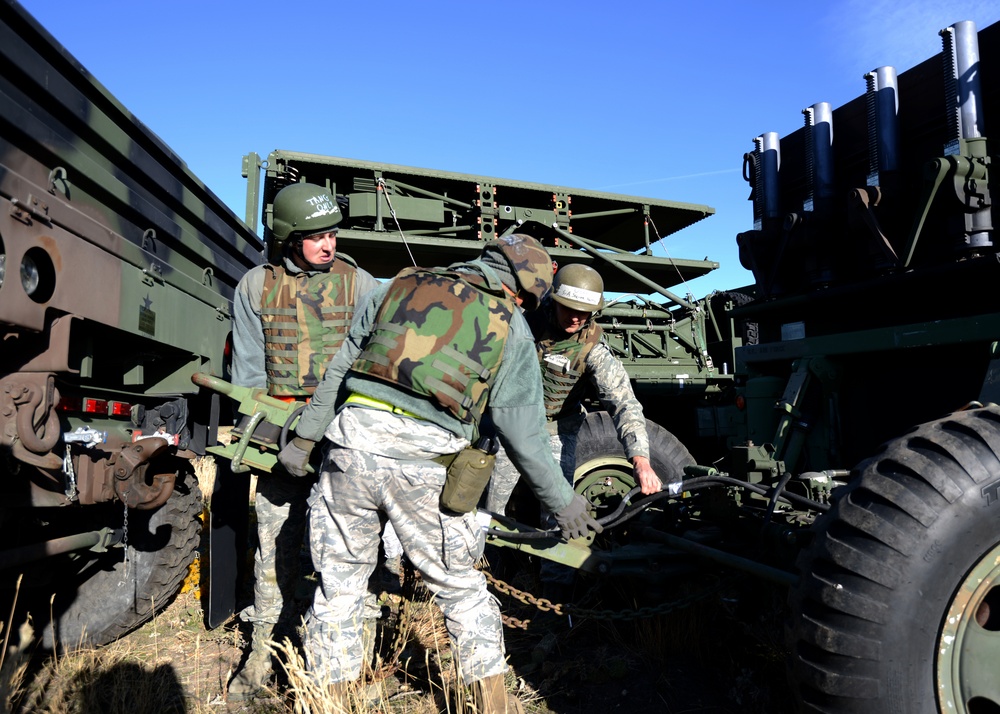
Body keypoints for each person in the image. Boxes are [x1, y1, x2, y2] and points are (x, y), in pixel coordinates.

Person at [277, 234, 602, 713]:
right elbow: (524, 433)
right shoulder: (509, 326)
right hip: (424, 467)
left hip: (348, 452)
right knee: (461, 591)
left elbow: (341, 365)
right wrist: (563, 502)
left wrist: (305, 438)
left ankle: (330, 700)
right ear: (524, 287)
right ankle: (490, 705)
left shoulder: (395, 286)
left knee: (339, 587)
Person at [227, 181, 379, 700]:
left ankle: (358, 652)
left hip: (343, 436)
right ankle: (263, 649)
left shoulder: (361, 284)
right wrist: (257, 438)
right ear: (289, 238)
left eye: (332, 234)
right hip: (280, 431)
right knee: (273, 542)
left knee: (354, 545)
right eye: (315, 237)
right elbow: (248, 373)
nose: (328, 245)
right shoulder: (254, 286)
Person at [484, 263, 662, 598]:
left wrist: (641, 460)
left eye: (584, 313)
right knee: (493, 508)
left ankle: (556, 593)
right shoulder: (523, 322)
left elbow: (624, 403)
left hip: (556, 431)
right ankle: (493, 578)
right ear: (554, 302)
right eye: (569, 309)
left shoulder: (592, 347)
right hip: (508, 428)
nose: (576, 319)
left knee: (559, 513)